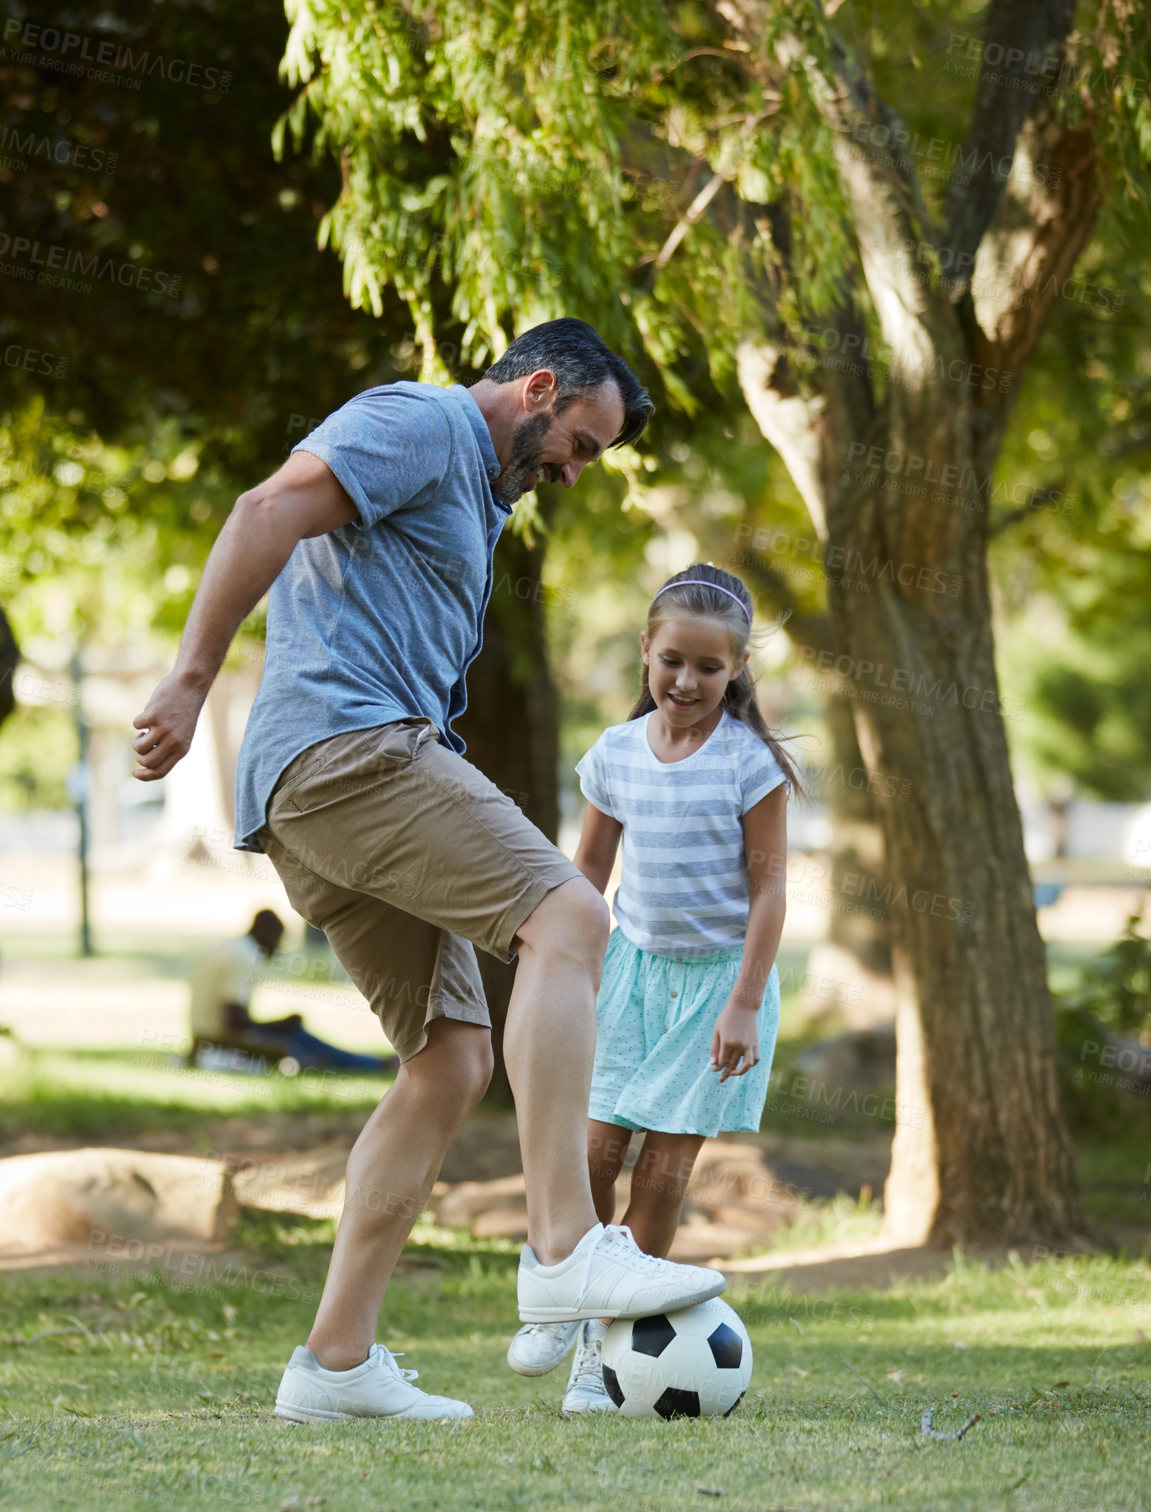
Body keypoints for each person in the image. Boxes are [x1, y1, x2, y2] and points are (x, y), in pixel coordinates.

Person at [132, 319, 727, 1423]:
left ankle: (335, 1363)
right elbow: (263, 509)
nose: (574, 472)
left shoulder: (477, 494)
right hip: (346, 753)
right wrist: (188, 680)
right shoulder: (422, 423)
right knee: (569, 915)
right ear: (538, 387)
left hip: (329, 785)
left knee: (452, 1060)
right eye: (580, 444)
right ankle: (562, 1246)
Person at [505, 563, 805, 1413]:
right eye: (673, 659)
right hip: (630, 973)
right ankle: (568, 1289)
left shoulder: (750, 764)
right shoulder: (614, 755)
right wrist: (550, 956)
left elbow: (771, 888)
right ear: (646, 650)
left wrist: (744, 1000)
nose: (687, 681)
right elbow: (589, 869)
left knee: (665, 1171)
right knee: (591, 1149)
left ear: (737, 669)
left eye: (710, 668)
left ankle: (607, 1358)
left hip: (718, 985)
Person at [188, 908, 394, 1075]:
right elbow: (233, 1022)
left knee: (295, 1035)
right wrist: (279, 1025)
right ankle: (374, 1066)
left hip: (202, 1037)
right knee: (298, 1041)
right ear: (263, 932)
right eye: (276, 940)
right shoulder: (246, 956)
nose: (276, 949)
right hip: (218, 1042)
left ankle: (373, 1064)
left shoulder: (229, 947)